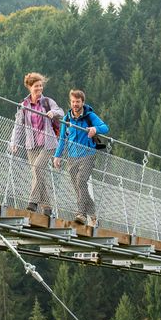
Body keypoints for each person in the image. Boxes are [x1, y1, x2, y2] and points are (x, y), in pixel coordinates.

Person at [6, 72, 63, 217]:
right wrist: (14, 142)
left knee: (37, 169)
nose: (39, 89)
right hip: (31, 144)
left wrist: (52, 112)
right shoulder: (24, 106)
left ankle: (32, 203)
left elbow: (60, 112)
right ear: (29, 87)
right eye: (36, 86)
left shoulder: (47, 102)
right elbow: (18, 126)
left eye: (41, 86)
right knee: (37, 173)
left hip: (48, 143)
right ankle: (47, 207)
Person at [52, 88, 108, 225]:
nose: (75, 104)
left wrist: (95, 129)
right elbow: (62, 139)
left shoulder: (89, 116)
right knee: (78, 186)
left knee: (81, 181)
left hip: (88, 154)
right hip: (72, 156)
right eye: (73, 102)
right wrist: (57, 156)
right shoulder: (66, 118)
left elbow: (105, 127)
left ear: (82, 102)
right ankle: (93, 213)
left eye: (77, 102)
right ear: (70, 102)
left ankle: (81, 214)